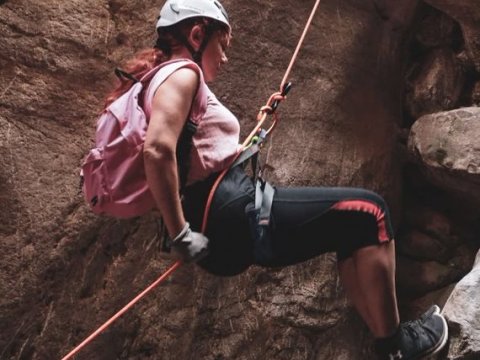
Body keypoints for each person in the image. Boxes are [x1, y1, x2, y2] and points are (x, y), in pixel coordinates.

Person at [103, 1, 448, 359]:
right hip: (230, 213)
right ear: (196, 34)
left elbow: (190, 157)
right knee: (371, 212)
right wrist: (179, 233)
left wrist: (248, 139)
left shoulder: (155, 80)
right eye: (222, 46)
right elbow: (158, 150)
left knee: (352, 231)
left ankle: (387, 345)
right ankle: (397, 348)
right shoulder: (183, 73)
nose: (223, 58)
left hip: (218, 221)